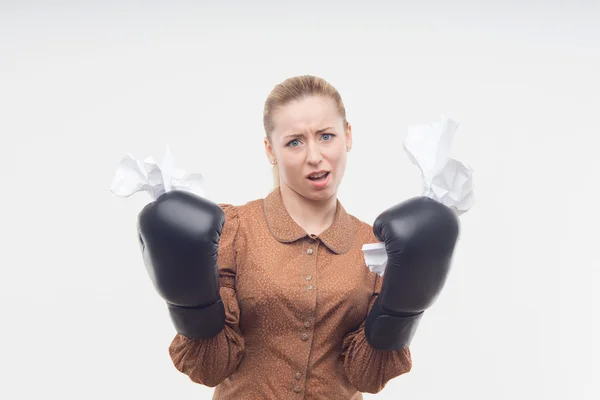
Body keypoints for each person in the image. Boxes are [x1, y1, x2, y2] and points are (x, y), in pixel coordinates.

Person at [137, 75, 460, 399]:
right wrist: (191, 308)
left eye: (326, 136)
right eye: (295, 141)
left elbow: (365, 377)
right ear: (270, 150)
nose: (314, 156)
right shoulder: (233, 231)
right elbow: (210, 369)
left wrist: (402, 312)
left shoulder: (376, 248)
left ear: (348, 136)